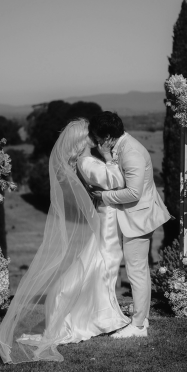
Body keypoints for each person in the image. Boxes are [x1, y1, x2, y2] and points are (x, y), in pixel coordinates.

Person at [0, 119, 130, 364]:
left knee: (99, 265)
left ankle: (103, 312)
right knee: (104, 263)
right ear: (81, 141)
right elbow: (116, 182)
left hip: (107, 217)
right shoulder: (88, 162)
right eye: (89, 135)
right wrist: (110, 158)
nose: (95, 137)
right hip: (108, 222)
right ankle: (103, 316)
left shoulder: (85, 161)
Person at [89, 111, 171, 338]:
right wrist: (107, 157)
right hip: (135, 216)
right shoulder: (121, 146)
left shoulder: (131, 151)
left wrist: (103, 196)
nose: (96, 143)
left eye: (97, 137)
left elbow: (133, 193)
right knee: (139, 270)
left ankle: (137, 325)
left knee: (136, 271)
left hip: (138, 218)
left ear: (107, 136)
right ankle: (141, 319)